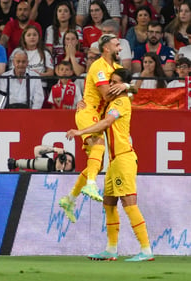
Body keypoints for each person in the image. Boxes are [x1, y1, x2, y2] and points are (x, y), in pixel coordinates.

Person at [66, 68, 155, 262]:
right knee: (109, 202)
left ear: (122, 85)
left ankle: (146, 249)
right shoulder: (113, 102)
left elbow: (106, 123)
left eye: (115, 82)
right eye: (111, 82)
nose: (111, 85)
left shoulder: (121, 102)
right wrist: (84, 106)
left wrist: (81, 132)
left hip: (124, 158)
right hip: (114, 161)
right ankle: (111, 249)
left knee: (129, 203)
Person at [58, 34, 128, 222]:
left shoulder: (118, 68)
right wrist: (123, 89)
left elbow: (132, 90)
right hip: (88, 111)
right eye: (117, 45)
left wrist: (126, 86)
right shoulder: (98, 66)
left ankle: (70, 199)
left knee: (94, 162)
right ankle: (90, 184)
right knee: (99, 144)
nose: (120, 48)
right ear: (106, 48)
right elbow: (107, 95)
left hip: (98, 114)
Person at [10, 25, 54, 90]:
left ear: (39, 37)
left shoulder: (45, 53)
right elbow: (11, 71)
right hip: (21, 86)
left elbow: (51, 73)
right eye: (29, 35)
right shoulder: (17, 52)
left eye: (34, 35)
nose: (32, 37)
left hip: (40, 86)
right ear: (24, 38)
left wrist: (39, 75)